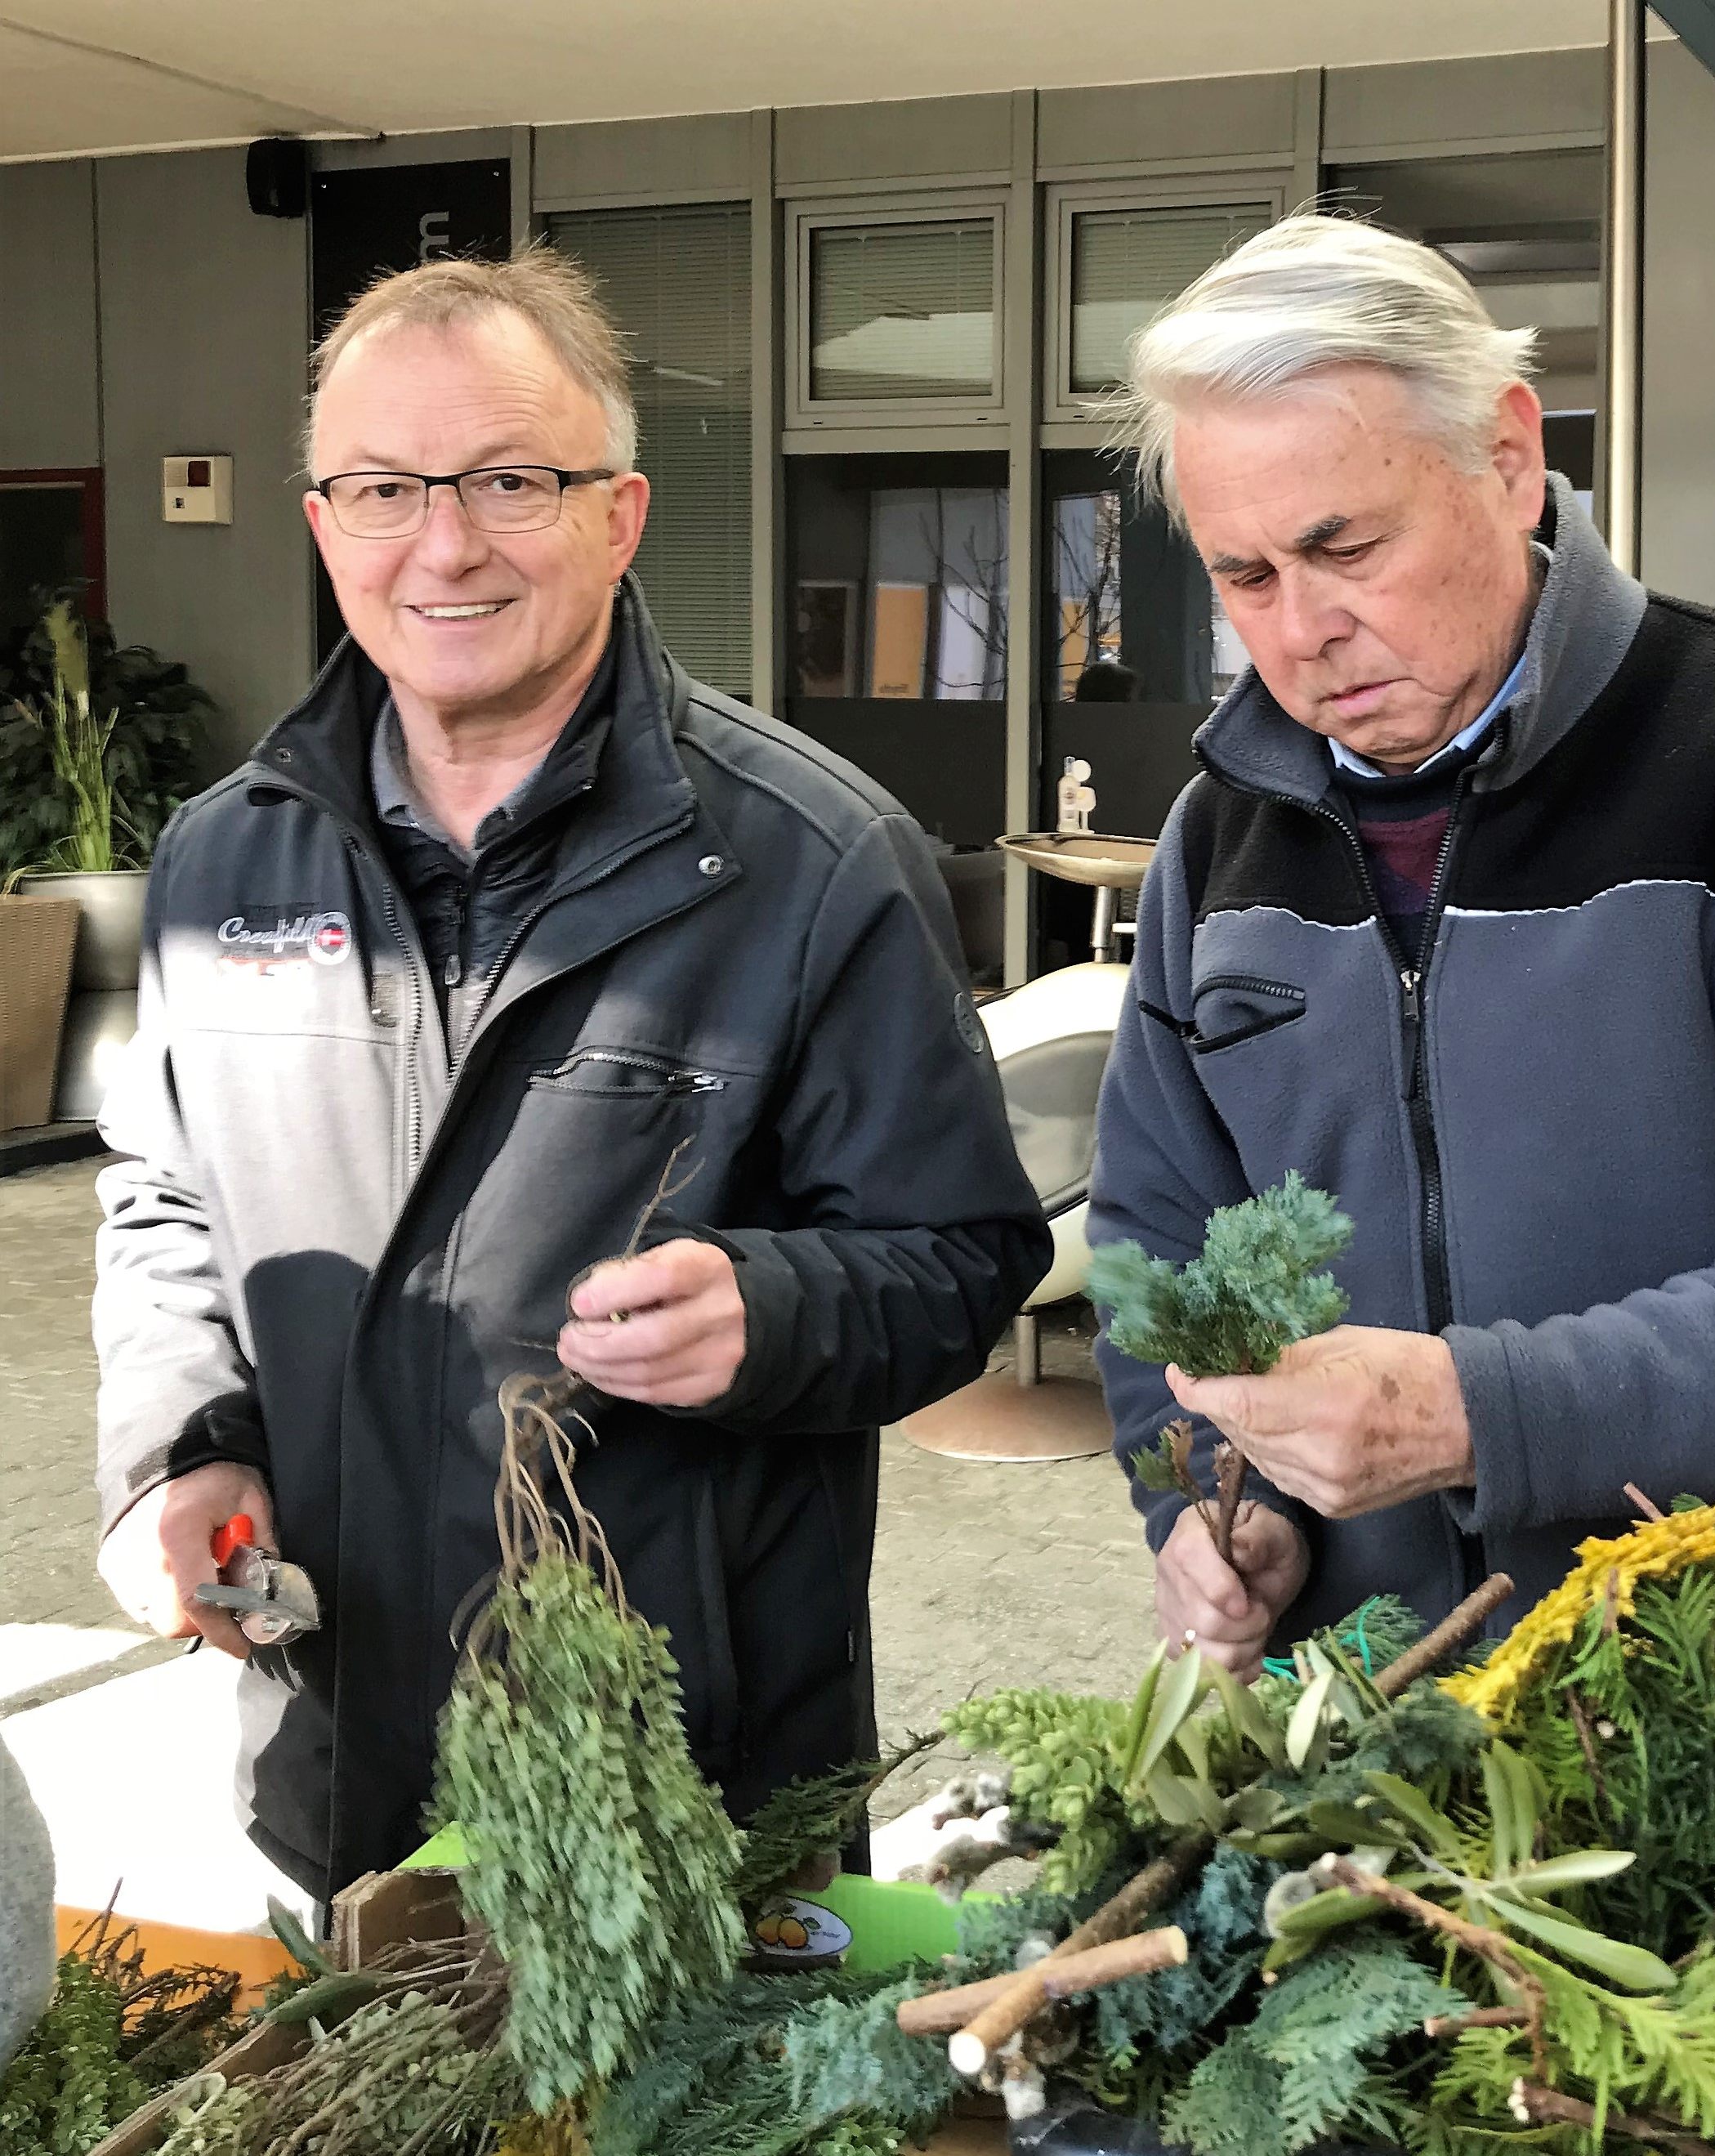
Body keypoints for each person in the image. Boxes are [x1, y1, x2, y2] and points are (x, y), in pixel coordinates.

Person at [91, 247, 1049, 1899]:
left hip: (682, 1768)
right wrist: (188, 1450)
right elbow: (168, 1193)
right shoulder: (226, 857)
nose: (443, 542)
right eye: (385, 487)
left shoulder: (810, 863)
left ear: (618, 514)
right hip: (327, 1746)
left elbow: (967, 1261)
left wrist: (778, 1305)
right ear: (325, 526)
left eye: (510, 481)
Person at [1088, 213, 1715, 1670]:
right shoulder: (1220, 830)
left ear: (1509, 455)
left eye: (1344, 544)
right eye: (1245, 576)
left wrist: (1488, 1412)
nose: (1301, 634)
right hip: (1364, 1717)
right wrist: (1207, 1496)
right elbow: (1154, 1249)